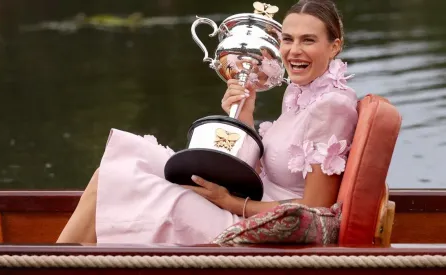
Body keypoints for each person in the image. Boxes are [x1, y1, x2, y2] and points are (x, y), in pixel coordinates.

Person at [56, 0, 358, 245]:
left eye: (309, 41)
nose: (294, 51)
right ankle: (67, 259)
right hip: (250, 200)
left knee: (125, 182)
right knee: (122, 163)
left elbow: (315, 209)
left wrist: (230, 203)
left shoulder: (330, 107)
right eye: (288, 40)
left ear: (334, 46)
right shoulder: (301, 91)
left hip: (257, 224)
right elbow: (268, 166)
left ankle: (58, 262)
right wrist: (245, 112)